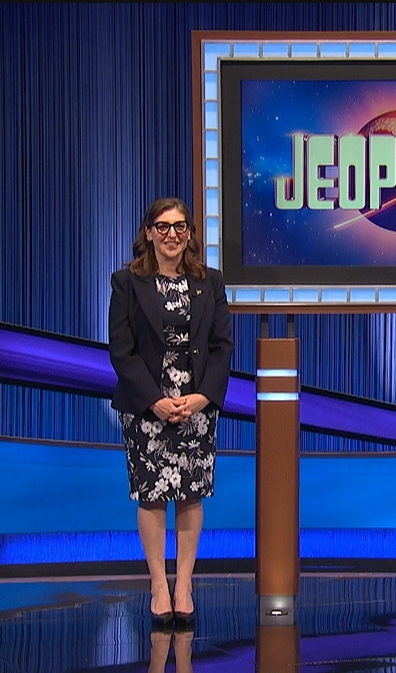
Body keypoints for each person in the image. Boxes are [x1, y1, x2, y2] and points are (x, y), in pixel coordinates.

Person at [108, 197, 234, 629]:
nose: (172, 236)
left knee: (190, 492)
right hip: (147, 406)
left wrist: (202, 397)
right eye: (163, 227)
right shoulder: (126, 282)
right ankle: (158, 584)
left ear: (190, 234)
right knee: (152, 494)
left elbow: (221, 349)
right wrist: (153, 401)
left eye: (180, 227)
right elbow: (121, 353)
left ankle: (184, 583)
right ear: (148, 233)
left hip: (195, 403)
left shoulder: (209, 282)